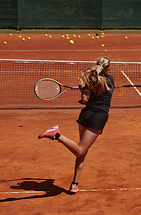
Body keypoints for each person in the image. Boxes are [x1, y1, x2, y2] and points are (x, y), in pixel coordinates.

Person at [38, 56, 115, 194]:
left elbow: (84, 99)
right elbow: (91, 96)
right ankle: (56, 134)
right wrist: (83, 88)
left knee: (82, 152)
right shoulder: (110, 80)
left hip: (85, 115)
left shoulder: (90, 80)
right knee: (80, 150)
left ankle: (75, 183)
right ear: (108, 68)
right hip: (98, 117)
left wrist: (82, 88)